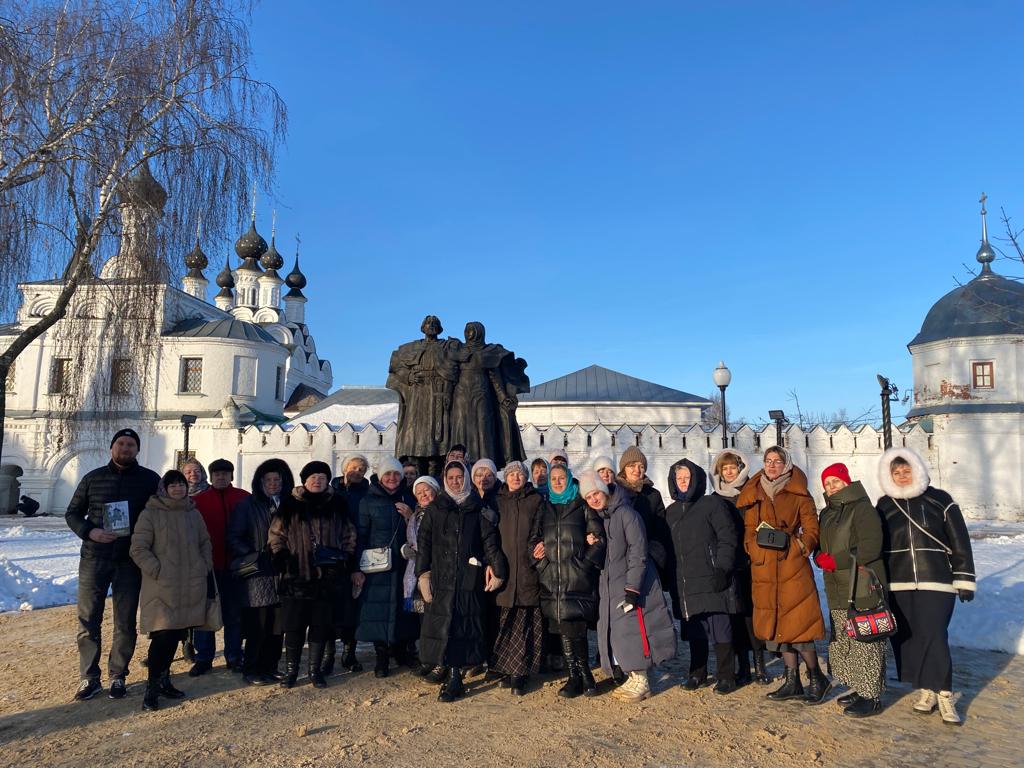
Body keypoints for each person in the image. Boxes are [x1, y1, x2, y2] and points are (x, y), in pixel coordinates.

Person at [876, 447, 976, 725]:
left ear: (916, 469)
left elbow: (959, 540)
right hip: (899, 582)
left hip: (937, 580)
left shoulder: (939, 500)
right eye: (896, 472)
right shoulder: (885, 505)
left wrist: (965, 576)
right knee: (910, 638)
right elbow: (878, 545)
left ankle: (944, 692)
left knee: (934, 635)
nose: (902, 476)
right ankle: (926, 690)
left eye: (906, 470)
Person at [65, 428, 160, 702]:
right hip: (95, 558)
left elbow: (161, 511)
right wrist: (89, 531)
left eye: (131, 444)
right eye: (121, 443)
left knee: (125, 621)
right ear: (112, 447)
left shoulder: (149, 480)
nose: (126, 448)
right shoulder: (93, 478)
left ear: (137, 450)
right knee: (88, 619)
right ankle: (89, 677)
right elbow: (72, 513)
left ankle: (118, 675)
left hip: (129, 560)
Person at [737, 446, 829, 704]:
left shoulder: (799, 492)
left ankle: (816, 677)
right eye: (768, 461)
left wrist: (799, 546)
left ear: (787, 464)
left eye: (777, 461)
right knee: (778, 627)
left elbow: (812, 528)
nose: (772, 465)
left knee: (799, 624)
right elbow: (749, 530)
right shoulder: (755, 493)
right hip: (764, 567)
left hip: (792, 567)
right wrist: (753, 549)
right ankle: (792, 681)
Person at [416, 460, 508, 702]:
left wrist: (498, 570)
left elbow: (490, 541)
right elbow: (424, 542)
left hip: (468, 576)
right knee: (442, 623)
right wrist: (422, 574)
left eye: (460, 477)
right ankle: (446, 669)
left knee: (461, 625)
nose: (456, 481)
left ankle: (455, 677)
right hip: (442, 576)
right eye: (452, 477)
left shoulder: (477, 507)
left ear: (466, 478)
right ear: (446, 480)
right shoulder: (436, 508)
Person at [588, 470, 676, 701]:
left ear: (605, 490)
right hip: (613, 583)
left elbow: (638, 552)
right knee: (620, 633)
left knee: (636, 630)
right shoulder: (605, 517)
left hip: (632, 583)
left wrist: (632, 588)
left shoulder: (627, 514)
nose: (594, 499)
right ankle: (633, 676)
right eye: (588, 497)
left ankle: (642, 680)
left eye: (596, 493)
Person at [129, 470, 212, 711]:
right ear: (164, 488)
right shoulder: (151, 513)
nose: (178, 489)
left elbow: (204, 542)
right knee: (162, 637)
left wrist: (204, 565)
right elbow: (139, 548)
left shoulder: (192, 513)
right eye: (172, 485)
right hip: (163, 587)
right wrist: (158, 569)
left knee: (177, 635)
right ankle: (151, 688)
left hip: (190, 584)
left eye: (181, 485)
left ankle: (165, 680)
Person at [269, 461, 356, 689]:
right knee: (294, 627)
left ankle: (314, 671)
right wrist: (283, 558)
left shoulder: (337, 503)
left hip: (327, 579)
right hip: (295, 577)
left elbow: (349, 533)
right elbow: (276, 534)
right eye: (312, 477)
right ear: (304, 480)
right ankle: (291, 671)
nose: (317, 480)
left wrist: (344, 559)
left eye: (322, 477)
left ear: (328, 480)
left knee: (320, 626)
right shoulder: (290, 504)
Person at [815, 463, 887, 718]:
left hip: (862, 584)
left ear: (846, 482)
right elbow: (822, 545)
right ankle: (860, 687)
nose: (831, 487)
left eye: (835, 481)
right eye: (827, 483)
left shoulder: (862, 508)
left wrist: (837, 560)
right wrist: (818, 555)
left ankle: (872, 696)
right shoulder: (827, 513)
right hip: (837, 586)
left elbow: (871, 546)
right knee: (847, 639)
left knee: (866, 641)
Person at [665, 459, 740, 695]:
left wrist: (723, 568)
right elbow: (668, 548)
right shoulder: (671, 512)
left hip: (711, 576)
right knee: (695, 629)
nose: (683, 482)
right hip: (685, 581)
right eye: (679, 478)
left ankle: (726, 675)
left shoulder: (711, 504)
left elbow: (727, 537)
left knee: (720, 628)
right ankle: (697, 673)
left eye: (687, 477)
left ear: (696, 479)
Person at [531, 464, 604, 697]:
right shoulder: (545, 507)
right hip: (553, 580)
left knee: (577, 628)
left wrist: (583, 566)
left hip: (577, 578)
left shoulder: (581, 505)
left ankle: (585, 675)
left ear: (569, 479)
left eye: (562, 477)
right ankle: (575, 677)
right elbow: (533, 542)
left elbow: (599, 538)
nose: (558, 482)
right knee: (563, 629)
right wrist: (542, 564)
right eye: (554, 478)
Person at [226, 458, 292, 686]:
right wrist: (256, 554)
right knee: (258, 626)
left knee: (277, 626)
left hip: (283, 573)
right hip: (258, 574)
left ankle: (270, 666)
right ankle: (251, 669)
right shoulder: (248, 505)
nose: (273, 484)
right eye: (268, 480)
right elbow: (234, 537)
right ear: (260, 482)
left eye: (277, 479)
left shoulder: (289, 504)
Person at [353, 457, 419, 677]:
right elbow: (360, 536)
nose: (392, 478)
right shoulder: (368, 501)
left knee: (404, 611)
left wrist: (411, 516)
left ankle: (401, 652)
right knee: (378, 611)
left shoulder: (409, 498)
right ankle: (381, 658)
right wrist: (357, 568)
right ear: (380, 477)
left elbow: (421, 530)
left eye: (396, 474)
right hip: (377, 566)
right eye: (388, 474)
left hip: (404, 564)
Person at [711, 450, 768, 685]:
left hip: (750, 562)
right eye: (724, 469)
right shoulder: (716, 498)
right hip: (729, 564)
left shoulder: (753, 492)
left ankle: (759, 665)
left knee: (752, 615)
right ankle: (743, 666)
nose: (729, 472)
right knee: (734, 616)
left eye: (732, 467)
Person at [490, 460, 546, 695]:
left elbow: (541, 530)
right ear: (506, 477)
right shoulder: (497, 501)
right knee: (504, 622)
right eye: (511, 474)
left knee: (524, 624)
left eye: (519, 474)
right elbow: (489, 534)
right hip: (504, 569)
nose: (515, 478)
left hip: (526, 569)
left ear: (525, 478)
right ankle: (505, 667)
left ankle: (519, 672)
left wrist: (539, 550)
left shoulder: (536, 501)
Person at [190, 458, 250, 676]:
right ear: (211, 476)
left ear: (231, 476)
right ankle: (204, 656)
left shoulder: (244, 498)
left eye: (225, 474)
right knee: (206, 612)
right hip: (209, 565)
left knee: (234, 613)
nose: (221, 477)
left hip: (237, 566)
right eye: (217, 474)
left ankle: (234, 655)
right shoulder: (200, 501)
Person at [325, 453, 371, 675]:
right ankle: (327, 655)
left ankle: (349, 654)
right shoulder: (330, 491)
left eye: (362, 470)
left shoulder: (367, 494)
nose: (357, 472)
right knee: (328, 609)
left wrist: (356, 566)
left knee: (351, 609)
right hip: (329, 559)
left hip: (354, 556)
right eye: (354, 467)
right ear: (345, 468)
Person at [615, 447, 671, 586]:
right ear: (624, 469)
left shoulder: (653, 495)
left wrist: (652, 556)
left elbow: (661, 530)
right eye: (632, 466)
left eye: (641, 466)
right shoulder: (614, 492)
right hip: (618, 559)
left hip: (646, 560)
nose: (637, 470)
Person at [403, 476, 439, 675]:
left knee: (435, 618)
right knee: (423, 620)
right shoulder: (415, 515)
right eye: (419, 492)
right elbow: (412, 541)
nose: (423, 495)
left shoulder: (441, 511)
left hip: (435, 572)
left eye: (427, 490)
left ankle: (437, 660)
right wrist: (407, 550)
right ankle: (426, 659)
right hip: (416, 572)